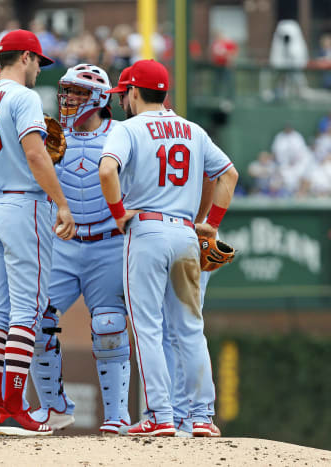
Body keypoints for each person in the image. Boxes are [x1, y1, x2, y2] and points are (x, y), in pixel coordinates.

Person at [99, 59, 239, 436]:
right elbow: (228, 174)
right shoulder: (192, 130)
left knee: (147, 327)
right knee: (191, 328)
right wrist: (211, 223)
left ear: (132, 92)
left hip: (145, 230)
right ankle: (201, 418)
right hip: (185, 233)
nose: (121, 100)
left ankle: (160, 415)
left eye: (123, 93)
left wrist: (116, 214)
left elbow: (107, 170)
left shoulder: (128, 129)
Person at [0, 29, 75, 437]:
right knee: (26, 309)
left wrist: (5, 160)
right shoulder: (23, 97)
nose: (39, 71)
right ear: (24, 57)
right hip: (23, 205)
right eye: (38, 62)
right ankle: (13, 408)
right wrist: (61, 202)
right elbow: (33, 152)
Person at [29, 63, 131, 435]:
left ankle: (117, 415)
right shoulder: (49, 135)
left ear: (102, 97)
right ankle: (53, 406)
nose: (69, 99)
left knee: (109, 325)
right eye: (67, 92)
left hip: (108, 243)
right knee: (38, 321)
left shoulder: (123, 133)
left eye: (79, 93)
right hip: (63, 244)